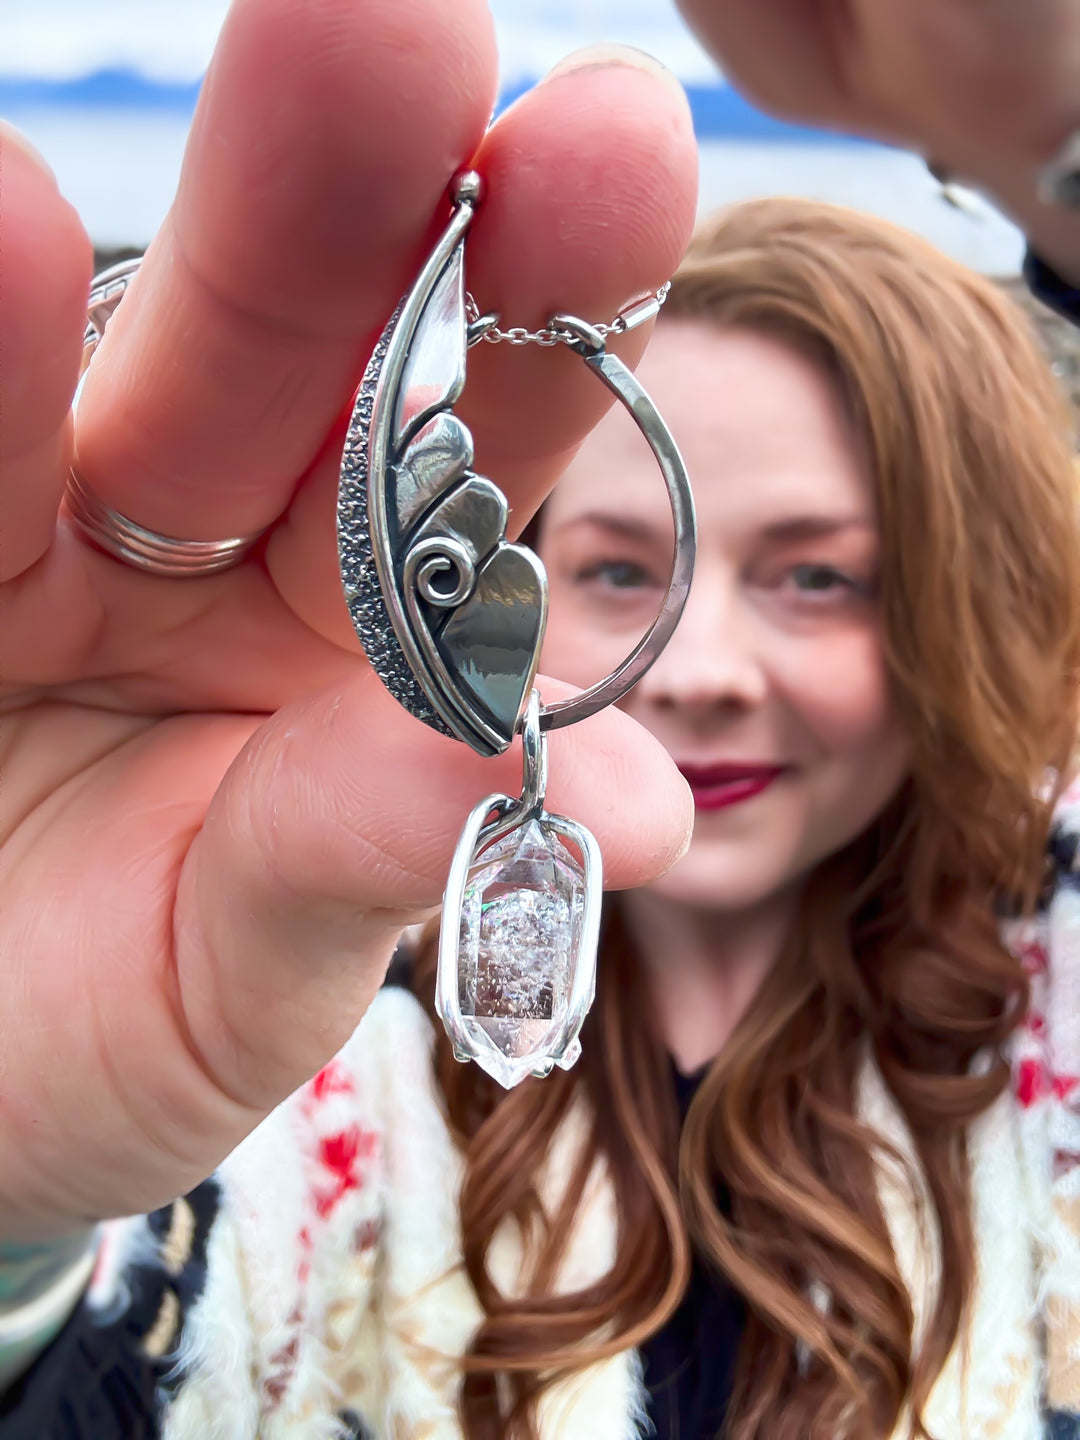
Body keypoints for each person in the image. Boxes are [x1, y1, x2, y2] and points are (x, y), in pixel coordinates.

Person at [1, 0, 1079, 1437]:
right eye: (617, 570)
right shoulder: (278, 1047)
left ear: (961, 611)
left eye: (820, 578)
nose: (698, 669)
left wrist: (1048, 142)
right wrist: (16, 1225)